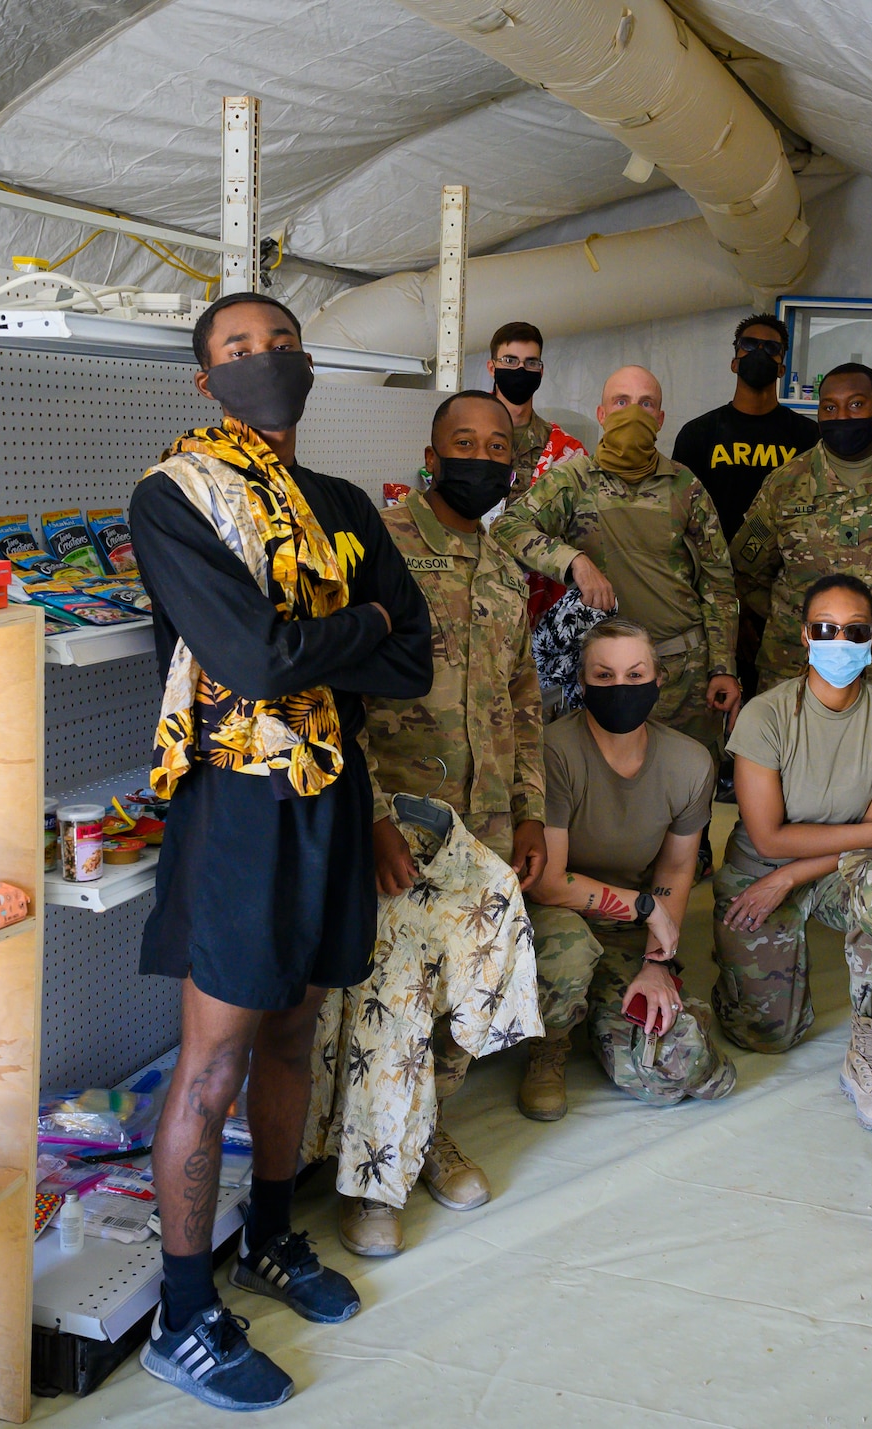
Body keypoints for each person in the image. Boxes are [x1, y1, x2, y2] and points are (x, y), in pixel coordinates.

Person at [130, 291, 434, 1412]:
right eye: (237, 349)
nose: (265, 361)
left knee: (299, 1023)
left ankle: (266, 1234)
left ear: (305, 362)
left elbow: (416, 666)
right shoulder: (177, 499)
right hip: (240, 803)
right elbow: (255, 662)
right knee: (212, 1060)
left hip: (333, 794)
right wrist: (354, 633)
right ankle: (180, 1313)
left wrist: (330, 644)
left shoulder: (345, 503)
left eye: (280, 344)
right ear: (205, 379)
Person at [331, 389, 549, 1257]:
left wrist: (531, 812)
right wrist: (375, 813)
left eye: (497, 444)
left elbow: (524, 700)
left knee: (461, 999)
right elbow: (338, 695)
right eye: (465, 440)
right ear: (432, 448)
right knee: (393, 1000)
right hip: (398, 824)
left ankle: (421, 1135)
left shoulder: (501, 567)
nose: (482, 456)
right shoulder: (379, 545)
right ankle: (372, 1182)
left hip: (483, 824)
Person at [714, 574, 872, 1131]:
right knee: (766, 1037)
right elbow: (769, 839)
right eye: (826, 629)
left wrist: (795, 876)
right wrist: (864, 838)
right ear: (806, 635)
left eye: (853, 630)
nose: (840, 640)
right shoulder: (765, 715)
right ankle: (738, 976)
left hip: (842, 871)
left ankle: (867, 1057)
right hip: (761, 868)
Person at [518, 617, 737, 1118]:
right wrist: (643, 909)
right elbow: (550, 883)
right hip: (555, 921)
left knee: (677, 1077)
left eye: (636, 676)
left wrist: (656, 963)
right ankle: (548, 1049)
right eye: (604, 676)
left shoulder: (689, 762)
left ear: (659, 680)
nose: (621, 688)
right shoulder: (554, 752)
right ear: (582, 682)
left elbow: (678, 868)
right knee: (570, 955)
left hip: (631, 929)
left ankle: (610, 1010)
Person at [491, 365, 740, 766]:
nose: (633, 412)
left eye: (646, 404)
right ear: (602, 414)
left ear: (660, 419)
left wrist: (724, 668)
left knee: (687, 794)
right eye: (621, 402)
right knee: (600, 797)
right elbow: (507, 527)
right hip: (604, 676)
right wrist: (573, 560)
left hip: (681, 675)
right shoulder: (573, 480)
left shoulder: (685, 486)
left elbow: (718, 583)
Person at [730, 363, 872, 701]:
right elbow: (748, 571)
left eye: (856, 404)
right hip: (797, 665)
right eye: (829, 407)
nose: (841, 415)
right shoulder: (785, 485)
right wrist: (793, 616)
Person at [670, 313, 820, 544]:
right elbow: (680, 512)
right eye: (749, 344)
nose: (759, 352)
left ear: (782, 369)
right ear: (734, 363)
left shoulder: (809, 436)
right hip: (715, 568)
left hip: (784, 569)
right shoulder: (698, 433)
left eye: (771, 348)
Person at [486, 319, 587, 494]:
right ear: (492, 368)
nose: (520, 369)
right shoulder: (464, 436)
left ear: (541, 372)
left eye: (531, 362)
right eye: (510, 360)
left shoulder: (565, 450)